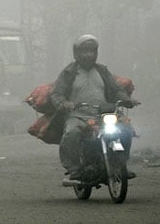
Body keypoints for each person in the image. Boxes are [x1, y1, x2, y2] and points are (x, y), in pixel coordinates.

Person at [50, 34, 139, 184]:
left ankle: (121, 162)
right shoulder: (69, 72)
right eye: (85, 51)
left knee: (126, 129)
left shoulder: (103, 71)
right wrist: (64, 103)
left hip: (105, 114)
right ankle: (74, 169)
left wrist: (126, 99)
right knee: (71, 134)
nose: (88, 54)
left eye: (91, 51)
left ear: (96, 52)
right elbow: (57, 94)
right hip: (78, 116)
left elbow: (116, 89)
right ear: (77, 53)